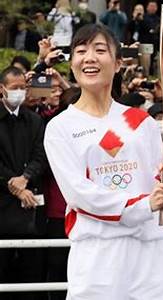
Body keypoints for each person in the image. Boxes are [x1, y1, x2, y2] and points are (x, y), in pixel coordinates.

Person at [43, 24, 163, 299]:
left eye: (100, 50)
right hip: (99, 255)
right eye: (81, 51)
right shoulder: (61, 127)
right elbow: (79, 194)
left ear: (118, 63)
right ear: (72, 65)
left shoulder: (140, 121)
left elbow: (156, 179)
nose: (89, 57)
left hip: (152, 252)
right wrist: (142, 205)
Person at [0, 66, 48, 300]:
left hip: (31, 205)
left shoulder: (35, 120)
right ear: (2, 89)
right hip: (3, 205)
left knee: (31, 275)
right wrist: (13, 184)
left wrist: (25, 178)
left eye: (23, 87)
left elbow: (41, 156)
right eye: (14, 88)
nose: (19, 92)